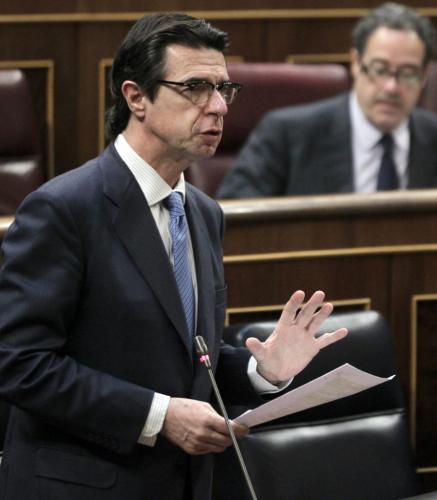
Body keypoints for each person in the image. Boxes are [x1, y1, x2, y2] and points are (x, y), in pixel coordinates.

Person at [0, 13, 347, 500]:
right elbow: (19, 363)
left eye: (224, 89)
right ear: (136, 97)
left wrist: (262, 369)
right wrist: (159, 416)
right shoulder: (63, 209)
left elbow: (185, 358)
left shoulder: (203, 212)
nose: (218, 107)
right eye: (195, 87)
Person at [218, 2, 437, 199]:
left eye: (408, 73)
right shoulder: (287, 135)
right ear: (356, 63)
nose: (391, 87)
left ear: (425, 74)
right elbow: (235, 215)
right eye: (380, 70)